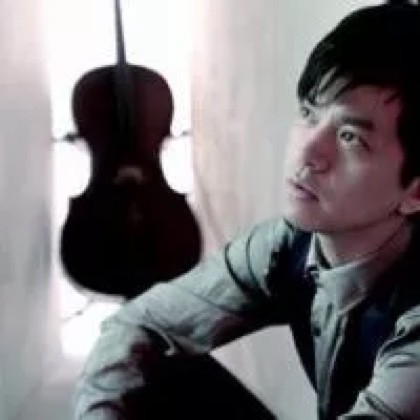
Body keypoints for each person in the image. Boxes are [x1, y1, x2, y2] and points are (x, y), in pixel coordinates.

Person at [74, 1, 420, 419]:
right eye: (308, 114)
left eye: (351, 137)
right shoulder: (288, 245)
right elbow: (134, 325)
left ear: (416, 192)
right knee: (154, 366)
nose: (308, 153)